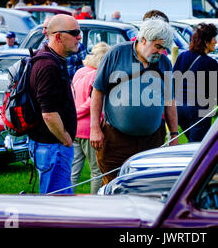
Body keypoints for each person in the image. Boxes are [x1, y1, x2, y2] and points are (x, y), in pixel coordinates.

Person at [90, 17, 179, 184]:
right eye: (158, 47)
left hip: (152, 141)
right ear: (144, 39)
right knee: (114, 186)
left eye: (164, 48)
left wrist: (174, 134)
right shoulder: (116, 54)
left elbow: (169, 100)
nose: (161, 52)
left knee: (147, 186)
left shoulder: (164, 63)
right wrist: (94, 127)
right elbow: (98, 90)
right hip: (115, 139)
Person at [28, 14, 80, 194]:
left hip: (50, 147)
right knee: (56, 208)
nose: (79, 37)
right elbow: (48, 113)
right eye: (74, 33)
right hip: (53, 147)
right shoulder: (48, 66)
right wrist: (66, 140)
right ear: (58, 36)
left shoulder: (49, 59)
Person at [173, 23, 218, 142]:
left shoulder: (182, 56)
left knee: (192, 145)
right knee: (196, 148)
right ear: (206, 42)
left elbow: (173, 81)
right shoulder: (210, 63)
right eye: (214, 39)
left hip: (180, 109)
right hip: (199, 110)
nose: (216, 42)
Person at [71, 42, 110, 194]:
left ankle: (65, 199)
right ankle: (94, 202)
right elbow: (92, 101)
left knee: (74, 170)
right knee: (96, 171)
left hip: (74, 128)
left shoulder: (79, 72)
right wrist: (78, 112)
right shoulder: (97, 76)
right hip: (89, 130)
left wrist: (73, 114)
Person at [39, 16, 86, 80]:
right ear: (58, 37)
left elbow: (83, 71)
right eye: (74, 33)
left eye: (46, 28)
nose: (43, 32)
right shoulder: (46, 62)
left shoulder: (77, 46)